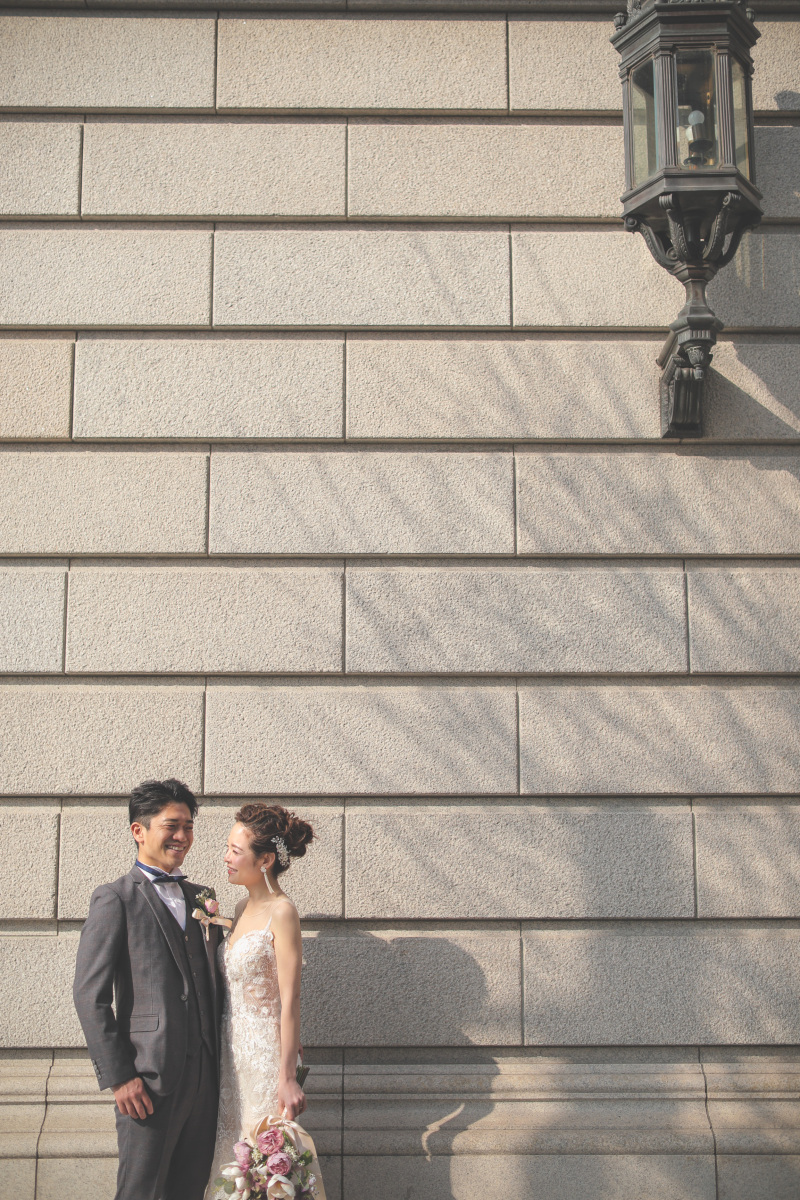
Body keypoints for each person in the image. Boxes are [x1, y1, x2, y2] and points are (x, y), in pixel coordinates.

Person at [73, 779, 224, 1200]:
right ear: (139, 831)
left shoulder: (203, 897)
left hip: (205, 1078)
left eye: (189, 826)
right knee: (141, 1191)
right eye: (171, 825)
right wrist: (121, 1077)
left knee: (188, 1189)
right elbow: (90, 996)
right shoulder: (114, 899)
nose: (182, 837)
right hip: (148, 1079)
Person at [204, 802, 315, 1198]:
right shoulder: (238, 908)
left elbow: (290, 998)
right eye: (228, 847)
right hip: (230, 1053)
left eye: (236, 850)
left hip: (265, 1058)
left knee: (264, 1163)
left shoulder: (282, 912)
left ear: (265, 859)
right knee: (230, 1155)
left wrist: (286, 1076)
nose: (226, 857)